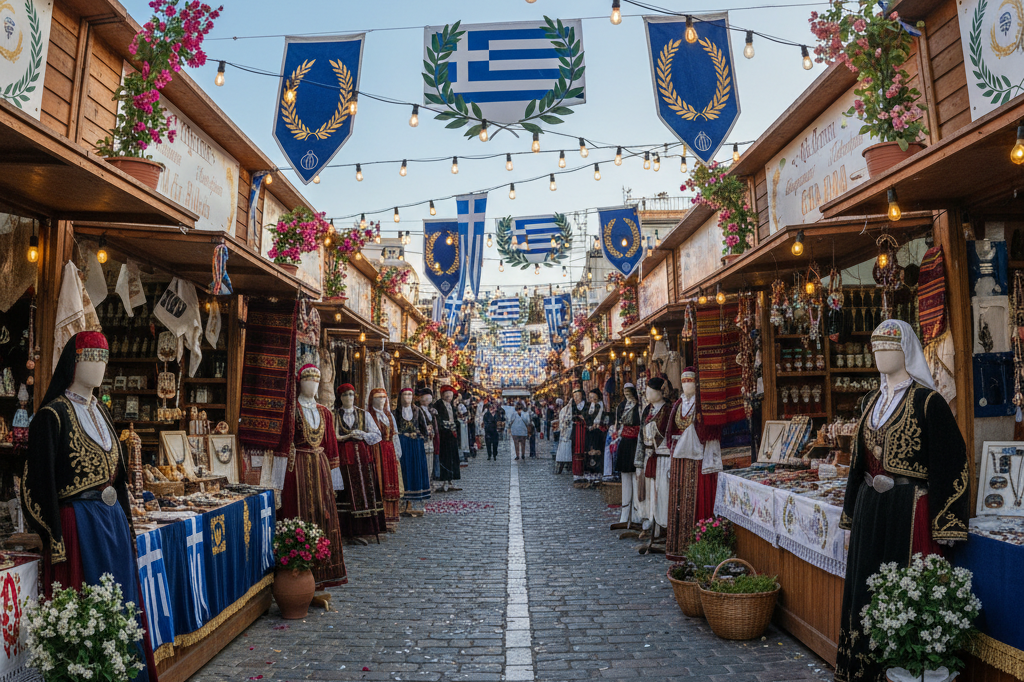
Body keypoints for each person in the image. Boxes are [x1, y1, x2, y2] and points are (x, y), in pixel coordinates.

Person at [835, 320, 969, 682]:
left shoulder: (929, 402)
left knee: (903, 589)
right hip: (870, 507)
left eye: (888, 347)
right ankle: (863, 670)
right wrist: (849, 515)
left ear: (906, 351)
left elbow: (951, 462)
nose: (880, 354)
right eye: (876, 347)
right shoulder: (869, 402)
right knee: (867, 589)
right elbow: (856, 462)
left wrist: (948, 520)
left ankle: (902, 669)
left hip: (910, 508)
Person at [23, 332, 155, 682]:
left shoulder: (102, 412)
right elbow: (37, 485)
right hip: (78, 525)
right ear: (74, 362)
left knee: (120, 604)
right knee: (91, 606)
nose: (99, 367)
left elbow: (120, 479)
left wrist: (127, 524)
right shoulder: (52, 417)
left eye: (103, 359)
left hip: (111, 522)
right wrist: (55, 536)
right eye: (92, 357)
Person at [283, 363, 347, 585]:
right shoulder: (291, 410)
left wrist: (334, 475)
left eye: (316, 381)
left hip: (319, 467)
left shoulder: (325, 413)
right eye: (308, 380)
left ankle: (324, 572)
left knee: (322, 511)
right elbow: (284, 443)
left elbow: (331, 446)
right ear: (300, 382)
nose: (313, 385)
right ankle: (297, 573)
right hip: (297, 467)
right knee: (298, 512)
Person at [334, 383, 386, 542]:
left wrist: (363, 434)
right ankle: (348, 531)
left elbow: (377, 435)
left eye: (350, 394)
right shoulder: (335, 415)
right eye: (344, 395)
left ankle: (366, 529)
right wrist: (348, 437)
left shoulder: (364, 414)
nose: (348, 398)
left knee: (365, 490)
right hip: (345, 459)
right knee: (346, 492)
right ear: (340, 397)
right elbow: (334, 436)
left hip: (363, 459)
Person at [366, 387, 402, 532]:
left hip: (388, 450)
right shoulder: (369, 415)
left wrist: (397, 454)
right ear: (372, 399)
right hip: (376, 450)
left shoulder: (388, 415)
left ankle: (389, 518)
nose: (380, 400)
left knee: (390, 482)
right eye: (377, 397)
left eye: (383, 397)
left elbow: (395, 435)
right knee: (378, 481)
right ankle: (378, 519)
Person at [610, 383, 642, 530]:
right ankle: (625, 512)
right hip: (625, 442)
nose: (627, 394)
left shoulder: (639, 406)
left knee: (636, 477)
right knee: (626, 478)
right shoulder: (621, 406)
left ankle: (636, 512)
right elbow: (618, 424)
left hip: (635, 443)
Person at [395, 388, 430, 517]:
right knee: (404, 470)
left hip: (415, 444)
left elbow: (424, 427)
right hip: (402, 444)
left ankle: (414, 500)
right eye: (404, 394)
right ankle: (404, 501)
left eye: (409, 394)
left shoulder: (417, 411)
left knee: (415, 470)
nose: (407, 397)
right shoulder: (396, 412)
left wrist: (422, 438)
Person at [433, 385, 462, 491]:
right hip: (444, 435)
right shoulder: (438, 405)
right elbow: (438, 420)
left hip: (452, 435)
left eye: (450, 395)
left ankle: (451, 480)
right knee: (445, 457)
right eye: (447, 394)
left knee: (453, 457)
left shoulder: (451, 406)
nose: (449, 397)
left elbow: (454, 418)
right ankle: (444, 479)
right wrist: (447, 425)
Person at [555, 396, 574, 473]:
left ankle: (564, 466)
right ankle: (566, 466)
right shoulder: (566, 410)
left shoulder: (564, 410)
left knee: (564, 450)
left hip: (565, 434)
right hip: (567, 434)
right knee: (566, 450)